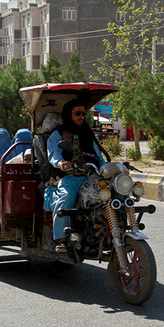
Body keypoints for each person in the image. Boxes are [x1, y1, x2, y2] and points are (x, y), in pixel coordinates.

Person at [46, 99, 106, 254]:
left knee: (112, 193)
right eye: (77, 113)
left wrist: (107, 170)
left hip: (90, 176)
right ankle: (62, 240)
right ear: (68, 114)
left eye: (83, 113)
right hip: (69, 177)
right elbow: (54, 153)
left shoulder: (88, 133)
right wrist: (61, 163)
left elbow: (98, 158)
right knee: (67, 196)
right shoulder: (59, 133)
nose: (81, 117)